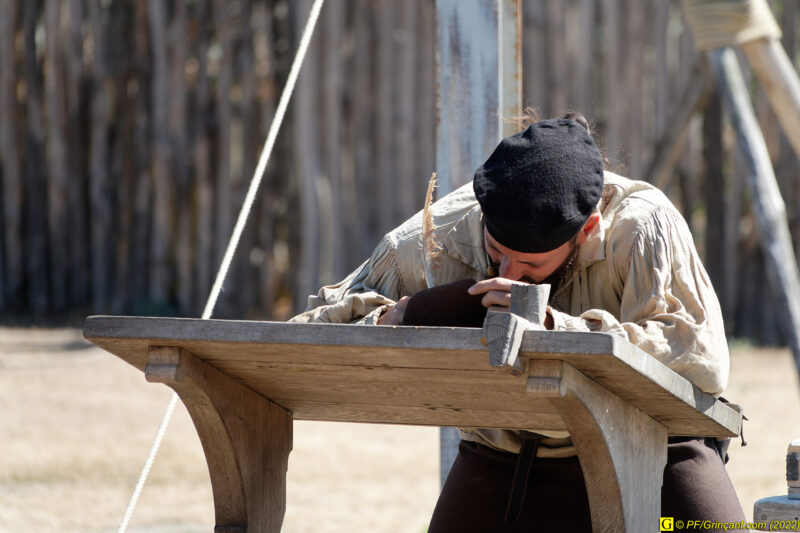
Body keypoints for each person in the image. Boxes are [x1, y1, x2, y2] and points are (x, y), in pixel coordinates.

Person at [290, 113, 745, 532]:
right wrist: (409, 313)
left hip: (655, 447)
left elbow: (698, 357)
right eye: (496, 253)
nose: (506, 275)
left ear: (585, 231)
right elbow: (308, 330)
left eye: (529, 264)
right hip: (506, 452)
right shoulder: (437, 235)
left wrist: (557, 331)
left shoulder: (643, 226)